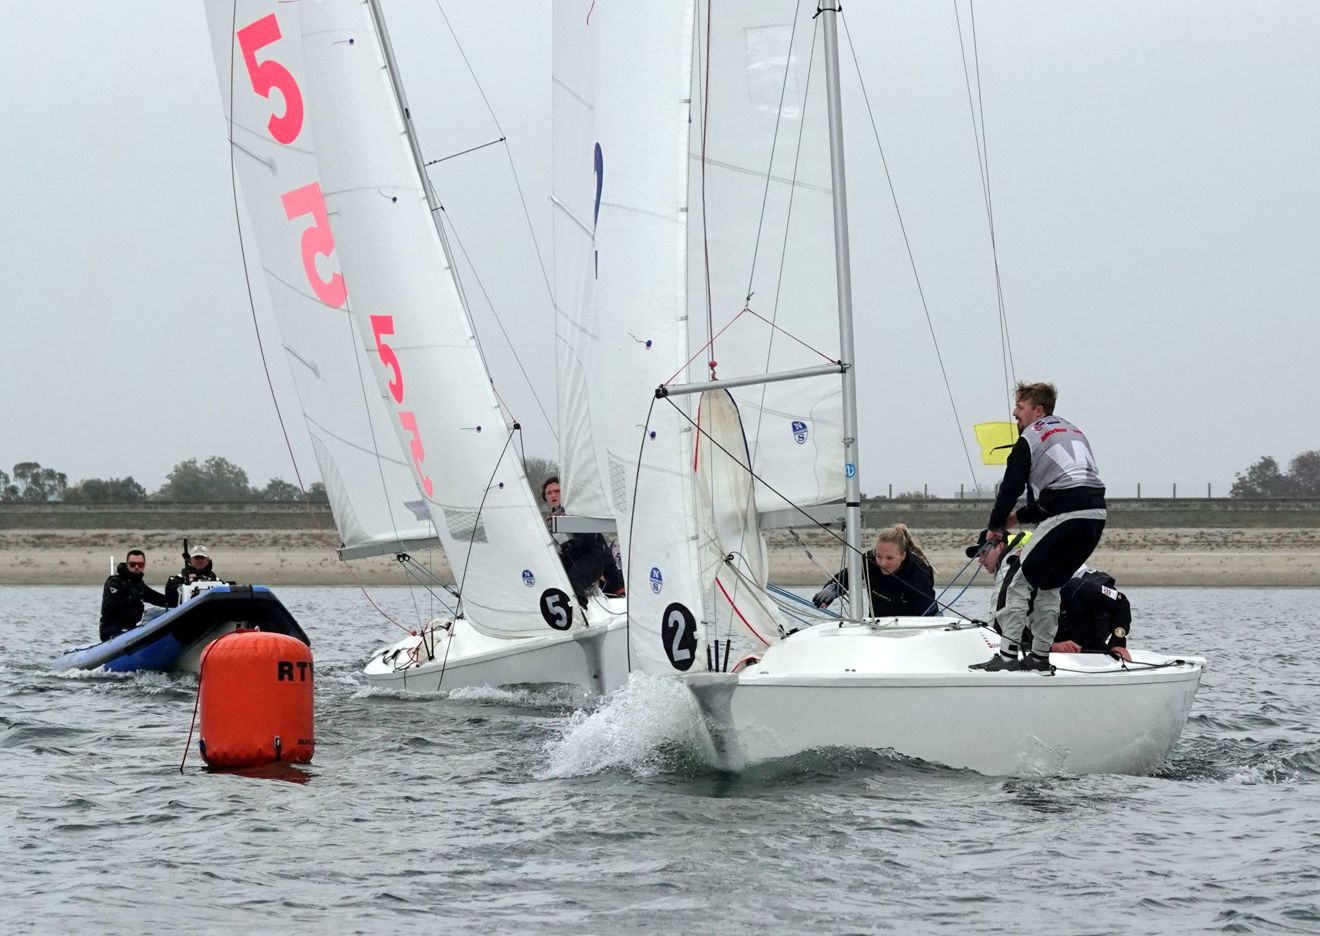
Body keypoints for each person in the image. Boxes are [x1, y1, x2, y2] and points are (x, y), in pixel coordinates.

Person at [970, 381, 1107, 672]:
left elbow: (1011, 486)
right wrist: (1015, 518)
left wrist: (995, 525)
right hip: (1095, 516)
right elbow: (1060, 493)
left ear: (1038, 410)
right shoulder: (1072, 430)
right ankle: (1040, 657)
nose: (1014, 413)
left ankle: (1007, 657)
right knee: (1049, 585)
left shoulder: (1031, 436)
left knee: (1019, 582)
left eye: (1020, 407)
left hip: (1066, 517)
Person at [970, 532, 1131, 662]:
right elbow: (1006, 628)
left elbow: (1121, 602)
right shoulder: (1017, 590)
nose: (980, 560)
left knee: (1076, 630)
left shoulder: (1076, 587)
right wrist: (1051, 646)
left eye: (983, 553)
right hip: (1058, 600)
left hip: (1092, 600)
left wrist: (1118, 643)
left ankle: (1095, 651)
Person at [812, 523, 937, 617]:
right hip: (877, 625)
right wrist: (831, 589)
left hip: (911, 627)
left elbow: (928, 614)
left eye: (890, 558)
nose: (882, 563)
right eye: (879, 556)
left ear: (903, 556)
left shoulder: (918, 572)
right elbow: (847, 577)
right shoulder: (869, 560)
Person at [541, 477, 625, 606]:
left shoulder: (577, 512)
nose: (553, 495)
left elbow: (599, 544)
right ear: (545, 498)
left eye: (557, 491)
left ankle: (581, 608)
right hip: (569, 559)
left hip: (591, 557)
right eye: (549, 493)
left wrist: (618, 587)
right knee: (551, 577)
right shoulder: (547, 522)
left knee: (574, 577)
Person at [99, 549, 169, 641]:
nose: (136, 567)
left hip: (131, 630)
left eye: (140, 565)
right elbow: (110, 607)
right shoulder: (114, 583)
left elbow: (159, 599)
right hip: (111, 631)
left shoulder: (139, 585)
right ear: (127, 564)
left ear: (144, 566)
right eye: (132, 564)